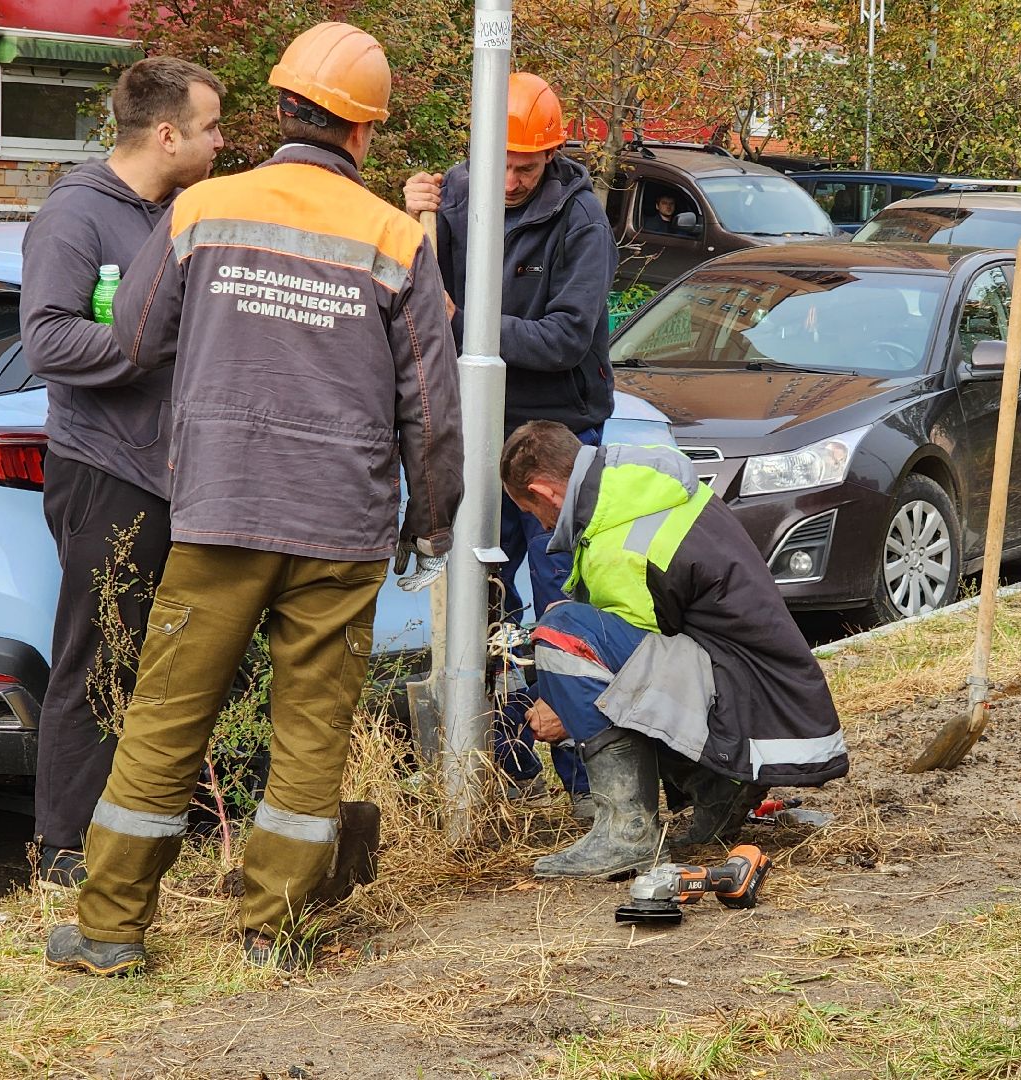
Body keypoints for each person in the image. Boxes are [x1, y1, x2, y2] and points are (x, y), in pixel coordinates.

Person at [44, 21, 463, 976]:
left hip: (220, 510)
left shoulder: (201, 213)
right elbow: (432, 408)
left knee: (164, 715)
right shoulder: (395, 236)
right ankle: (271, 934)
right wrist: (428, 518)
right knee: (311, 733)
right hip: (339, 525)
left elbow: (137, 339)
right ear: (362, 134)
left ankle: (110, 929)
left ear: (279, 112)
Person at [18, 56, 225, 890]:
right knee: (99, 655)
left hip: (184, 475)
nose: (221, 141)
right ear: (166, 133)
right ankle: (65, 850)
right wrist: (160, 341)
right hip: (106, 471)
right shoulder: (77, 218)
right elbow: (50, 341)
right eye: (210, 126)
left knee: (186, 659)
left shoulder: (184, 213)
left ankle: (180, 831)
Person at [498, 421, 849, 878]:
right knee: (577, 632)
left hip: (745, 708)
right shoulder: (634, 487)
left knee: (562, 631)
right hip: (758, 694)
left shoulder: (618, 543)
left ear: (543, 491)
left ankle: (628, 833)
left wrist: (567, 706)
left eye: (530, 510)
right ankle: (716, 788)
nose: (541, 525)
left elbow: (620, 674)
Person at [402, 73, 618, 805]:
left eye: (529, 166)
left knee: (563, 612)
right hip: (478, 430)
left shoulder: (581, 220)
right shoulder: (457, 195)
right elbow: (415, 289)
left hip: (556, 431)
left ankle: (589, 782)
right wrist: (412, 221)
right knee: (481, 605)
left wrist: (465, 323)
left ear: (552, 156)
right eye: (505, 163)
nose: (514, 179)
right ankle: (502, 772)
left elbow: (565, 337)